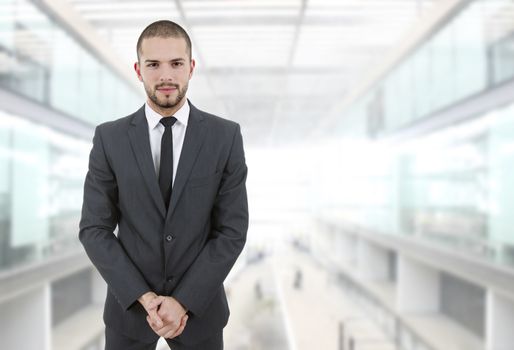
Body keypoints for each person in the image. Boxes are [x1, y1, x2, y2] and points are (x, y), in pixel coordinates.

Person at [79, 19, 248, 350]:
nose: (166, 75)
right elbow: (94, 229)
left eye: (176, 63)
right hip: (129, 311)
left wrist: (183, 301)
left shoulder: (224, 137)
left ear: (191, 68)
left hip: (199, 312)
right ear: (138, 69)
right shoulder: (109, 138)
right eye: (153, 64)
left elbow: (231, 231)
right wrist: (144, 297)